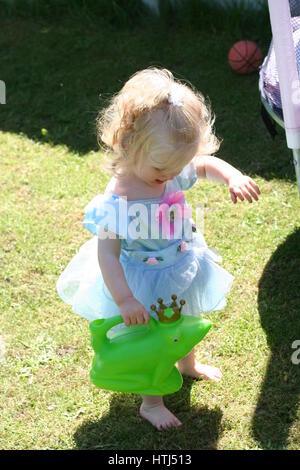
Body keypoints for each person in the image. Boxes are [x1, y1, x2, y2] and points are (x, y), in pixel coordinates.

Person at [56, 67, 260, 431]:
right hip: (140, 279)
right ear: (129, 144)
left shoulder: (168, 164)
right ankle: (151, 402)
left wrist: (232, 176)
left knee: (181, 315)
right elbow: (107, 254)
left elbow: (203, 165)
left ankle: (188, 363)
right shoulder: (118, 198)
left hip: (178, 262)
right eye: (163, 168)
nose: (172, 174)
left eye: (177, 165)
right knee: (152, 337)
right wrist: (125, 300)